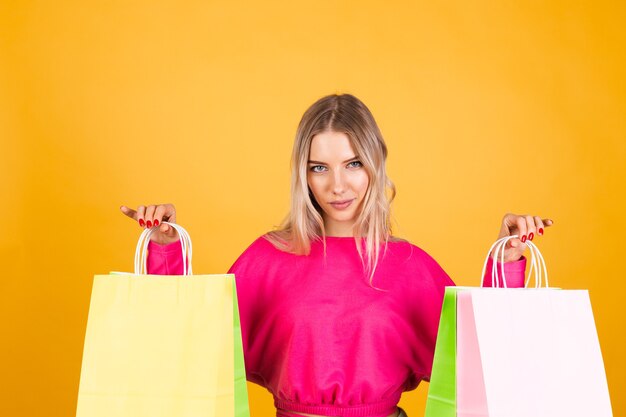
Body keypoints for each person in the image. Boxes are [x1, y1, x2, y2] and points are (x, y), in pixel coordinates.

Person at [120, 94, 553, 417]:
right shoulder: (268, 259)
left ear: (376, 163)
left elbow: (485, 357)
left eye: (353, 164)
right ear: (302, 174)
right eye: (319, 167)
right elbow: (187, 347)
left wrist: (507, 259)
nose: (337, 186)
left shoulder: (408, 266)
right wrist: (165, 249)